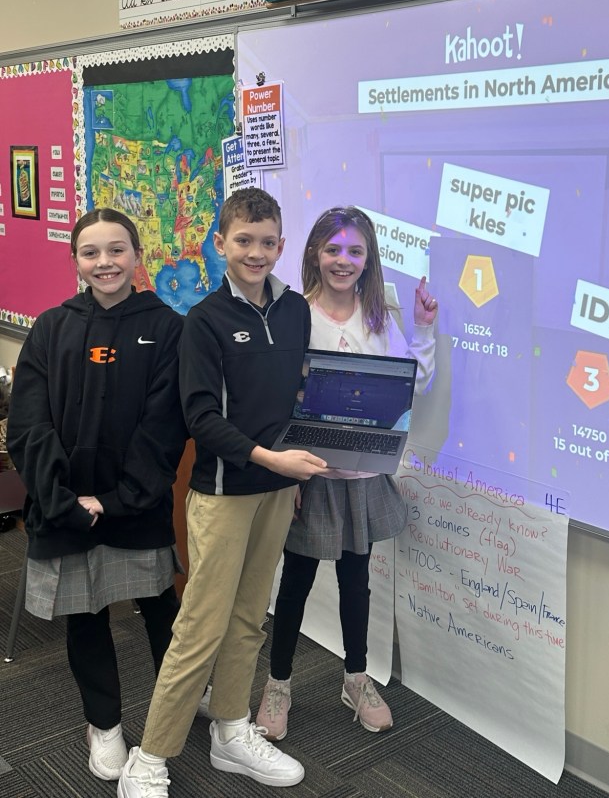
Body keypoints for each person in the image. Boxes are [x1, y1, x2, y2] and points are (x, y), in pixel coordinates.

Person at [118, 187, 328, 798]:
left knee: (249, 618)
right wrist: (271, 460)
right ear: (220, 244)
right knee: (201, 626)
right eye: (243, 241)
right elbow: (202, 418)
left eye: (267, 242)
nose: (256, 252)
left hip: (276, 491)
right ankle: (149, 758)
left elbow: (295, 396)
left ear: (281, 246)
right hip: (223, 491)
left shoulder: (295, 311)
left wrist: (291, 469)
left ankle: (231, 730)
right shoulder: (205, 321)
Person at [6, 208, 188, 781]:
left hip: (137, 504)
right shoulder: (51, 328)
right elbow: (28, 425)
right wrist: (61, 498)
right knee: (85, 615)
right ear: (76, 261)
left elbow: (165, 426)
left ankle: (180, 707)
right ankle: (103, 723)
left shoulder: (168, 328)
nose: (105, 262)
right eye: (91, 252)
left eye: (116, 250)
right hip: (65, 508)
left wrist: (119, 498)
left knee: (161, 609)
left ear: (137, 256)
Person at [255, 205, 438, 740]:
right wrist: (289, 476)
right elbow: (279, 398)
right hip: (311, 475)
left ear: (368, 258)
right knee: (296, 582)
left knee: (357, 582)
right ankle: (278, 684)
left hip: (363, 476)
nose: (343, 260)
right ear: (314, 252)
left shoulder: (379, 317)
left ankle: (356, 678)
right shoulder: (296, 315)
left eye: (355, 251)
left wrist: (424, 328)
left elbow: (412, 383)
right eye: (333, 249)